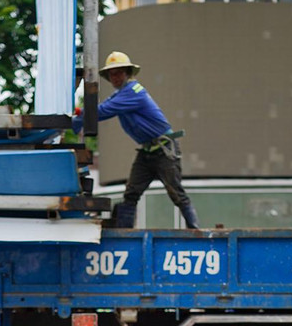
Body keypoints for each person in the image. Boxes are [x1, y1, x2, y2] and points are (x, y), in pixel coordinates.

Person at [74, 51, 200, 230]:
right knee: (131, 194)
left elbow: (102, 111)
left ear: (127, 73)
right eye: (112, 74)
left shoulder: (134, 91)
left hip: (164, 149)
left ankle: (195, 230)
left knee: (176, 193)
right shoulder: (120, 96)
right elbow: (100, 110)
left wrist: (76, 120)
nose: (115, 77)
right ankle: (124, 233)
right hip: (147, 151)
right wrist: (78, 120)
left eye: (119, 72)